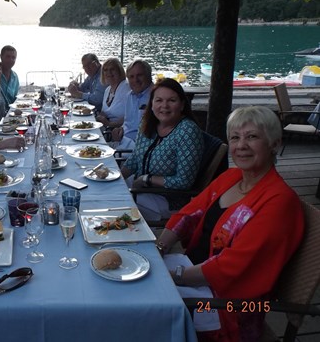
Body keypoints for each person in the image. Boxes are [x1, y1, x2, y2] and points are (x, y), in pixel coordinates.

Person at [156, 106, 305, 341]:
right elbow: (188, 214)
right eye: (235, 138)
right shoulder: (232, 177)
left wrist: (173, 275)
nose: (241, 145)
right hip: (193, 276)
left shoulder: (279, 202)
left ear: (274, 144)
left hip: (226, 305)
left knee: (142, 305)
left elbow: (231, 266)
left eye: (252, 137)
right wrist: (160, 248)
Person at [121, 78, 204, 221]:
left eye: (171, 100)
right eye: (159, 100)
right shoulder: (148, 123)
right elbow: (136, 158)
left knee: (117, 203)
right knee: (103, 189)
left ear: (182, 104)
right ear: (151, 104)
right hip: (141, 189)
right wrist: (116, 177)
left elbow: (184, 181)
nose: (164, 106)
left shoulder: (187, 131)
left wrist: (147, 179)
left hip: (167, 199)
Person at [110, 59, 153, 151]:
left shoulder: (156, 97)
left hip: (138, 149)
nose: (135, 80)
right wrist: (120, 129)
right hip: (122, 142)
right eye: (131, 77)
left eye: (139, 75)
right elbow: (128, 123)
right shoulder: (129, 96)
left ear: (149, 75)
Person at [95, 57, 131, 128]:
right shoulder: (107, 90)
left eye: (112, 69)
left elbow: (131, 116)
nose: (109, 73)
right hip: (106, 128)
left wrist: (109, 124)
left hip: (119, 130)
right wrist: (101, 116)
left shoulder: (126, 87)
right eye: (105, 70)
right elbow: (104, 112)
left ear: (119, 71)